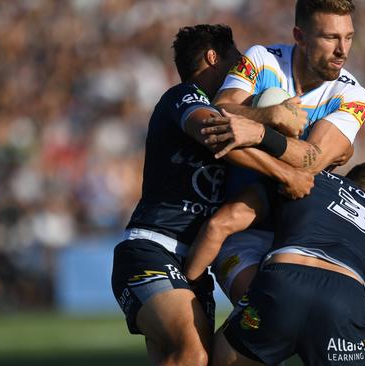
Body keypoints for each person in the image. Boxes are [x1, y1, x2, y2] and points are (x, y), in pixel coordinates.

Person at [110, 23, 314, 366]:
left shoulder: (238, 118)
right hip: (153, 247)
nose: (242, 68)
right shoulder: (183, 96)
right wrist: (280, 158)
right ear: (213, 57)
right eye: (236, 58)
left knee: (188, 357)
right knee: (193, 353)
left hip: (194, 264)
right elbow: (216, 131)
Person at [204, 0, 365, 305]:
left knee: (305, 324)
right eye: (330, 37)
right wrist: (271, 116)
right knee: (259, 316)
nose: (342, 50)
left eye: (348, 37)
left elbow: (311, 162)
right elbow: (216, 117)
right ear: (300, 36)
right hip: (242, 233)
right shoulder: (262, 59)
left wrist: (256, 132)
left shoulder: (352, 95)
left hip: (301, 235)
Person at [184, 162, 365, 365]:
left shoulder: (306, 179)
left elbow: (222, 223)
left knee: (223, 359)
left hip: (285, 281)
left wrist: (192, 283)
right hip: (344, 297)